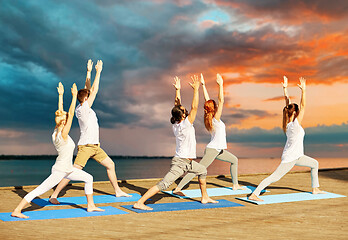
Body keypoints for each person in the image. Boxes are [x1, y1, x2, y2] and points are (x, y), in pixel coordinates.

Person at [11, 82, 104, 219]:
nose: (67, 116)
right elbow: (71, 113)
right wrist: (73, 97)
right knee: (40, 190)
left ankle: (90, 206)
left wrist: (60, 95)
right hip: (60, 170)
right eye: (66, 118)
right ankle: (17, 210)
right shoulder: (63, 135)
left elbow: (61, 112)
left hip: (67, 169)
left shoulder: (56, 131)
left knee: (88, 178)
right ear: (64, 122)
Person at [49, 60, 130, 204]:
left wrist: (88, 72)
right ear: (85, 99)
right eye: (88, 96)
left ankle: (117, 191)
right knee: (71, 171)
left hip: (95, 147)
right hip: (86, 147)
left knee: (110, 165)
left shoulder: (85, 107)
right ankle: (54, 195)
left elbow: (88, 89)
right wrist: (98, 72)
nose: (90, 95)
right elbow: (94, 90)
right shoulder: (83, 109)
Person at [133, 76, 218, 210]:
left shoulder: (177, 123)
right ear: (183, 115)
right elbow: (194, 107)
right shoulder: (185, 125)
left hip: (188, 162)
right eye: (184, 110)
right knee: (164, 184)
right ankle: (139, 202)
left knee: (202, 170)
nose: (186, 110)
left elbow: (176, 106)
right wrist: (196, 90)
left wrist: (178, 90)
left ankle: (204, 197)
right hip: (180, 163)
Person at [249, 76, 325, 201]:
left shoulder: (287, 122)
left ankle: (315, 188)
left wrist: (285, 89)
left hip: (298, 156)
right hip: (290, 158)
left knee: (314, 164)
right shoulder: (294, 125)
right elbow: (303, 105)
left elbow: (287, 105)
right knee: (275, 177)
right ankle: (254, 194)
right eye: (297, 111)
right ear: (295, 113)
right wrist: (304, 91)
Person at [173, 74, 243, 195]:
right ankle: (178, 188)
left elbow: (207, 101)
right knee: (197, 170)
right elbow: (221, 100)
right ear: (214, 108)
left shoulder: (210, 117)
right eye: (215, 106)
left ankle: (235, 185)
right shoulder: (215, 118)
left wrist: (204, 85)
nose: (217, 106)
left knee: (234, 160)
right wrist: (221, 85)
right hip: (213, 150)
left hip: (218, 149)